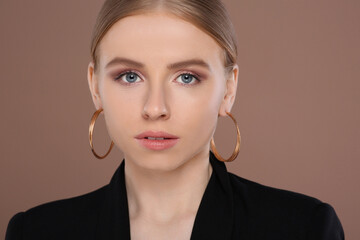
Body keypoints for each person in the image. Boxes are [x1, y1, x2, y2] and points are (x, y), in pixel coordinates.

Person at [5, 0, 344, 239]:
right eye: (129, 76)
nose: (155, 108)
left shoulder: (304, 229)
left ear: (228, 89)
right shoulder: (35, 231)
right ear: (95, 86)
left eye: (186, 77)